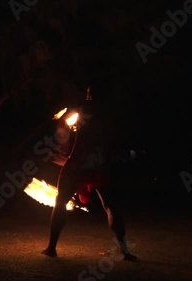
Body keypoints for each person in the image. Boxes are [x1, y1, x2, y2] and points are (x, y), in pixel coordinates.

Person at [41, 86, 137, 261]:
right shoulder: (110, 110)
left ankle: (51, 248)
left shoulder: (82, 105)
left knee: (61, 201)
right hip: (99, 163)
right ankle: (125, 252)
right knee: (110, 206)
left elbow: (62, 122)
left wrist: (64, 147)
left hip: (78, 162)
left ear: (89, 93)